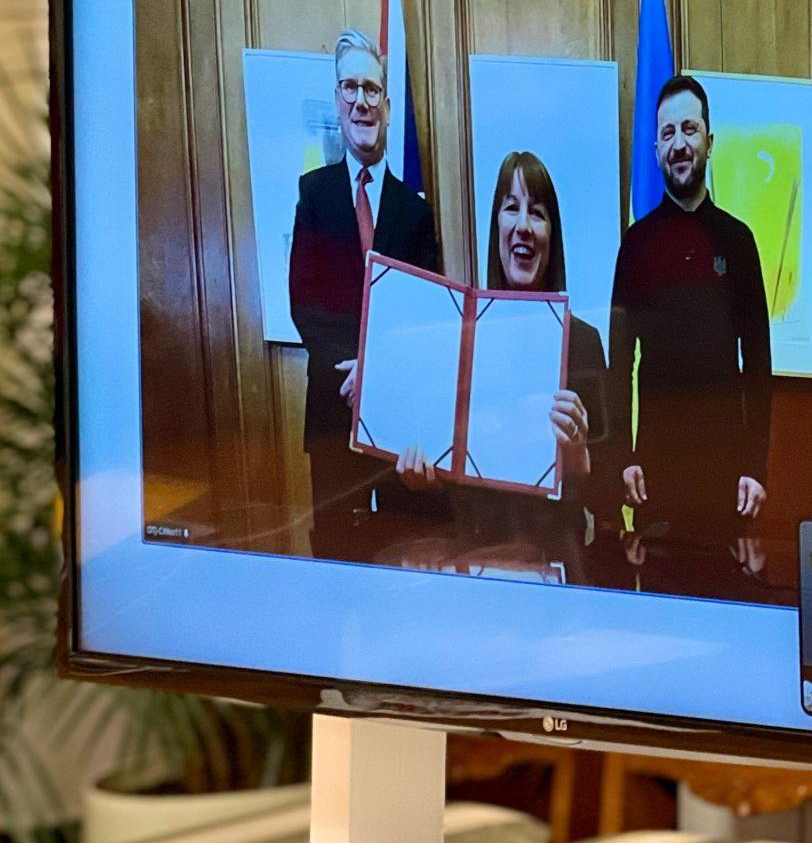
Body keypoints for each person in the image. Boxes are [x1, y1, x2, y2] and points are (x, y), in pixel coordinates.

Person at [288, 29, 439, 556]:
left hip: (399, 419)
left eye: (372, 89)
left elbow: (427, 316)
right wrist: (353, 369)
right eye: (350, 88)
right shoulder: (314, 194)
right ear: (337, 100)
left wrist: (379, 373)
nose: (361, 101)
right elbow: (304, 302)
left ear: (388, 107)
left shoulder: (416, 212)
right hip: (332, 412)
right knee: (335, 556)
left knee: (405, 552)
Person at [407, 150, 607, 538]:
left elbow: (606, 495)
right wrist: (425, 480)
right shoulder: (462, 339)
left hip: (556, 553)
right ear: (495, 225)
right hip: (474, 552)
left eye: (537, 213)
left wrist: (578, 455)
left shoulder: (584, 342)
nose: (523, 226)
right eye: (511, 208)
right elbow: (448, 488)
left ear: (553, 234)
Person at [608, 73, 772, 541]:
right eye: (667, 133)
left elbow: (758, 362)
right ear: (656, 150)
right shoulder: (636, 245)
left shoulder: (738, 242)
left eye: (689, 129)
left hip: (726, 477)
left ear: (709, 142)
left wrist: (755, 465)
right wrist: (623, 458)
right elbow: (619, 363)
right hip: (654, 474)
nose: (679, 144)